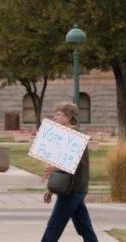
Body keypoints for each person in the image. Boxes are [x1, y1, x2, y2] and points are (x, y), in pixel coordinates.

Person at [41, 103, 97, 242]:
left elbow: (75, 164)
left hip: (72, 188)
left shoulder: (76, 136)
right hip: (73, 188)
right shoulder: (65, 136)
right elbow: (62, 163)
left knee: (54, 225)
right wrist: (51, 189)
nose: (55, 117)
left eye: (58, 114)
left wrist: (56, 168)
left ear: (69, 117)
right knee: (85, 227)